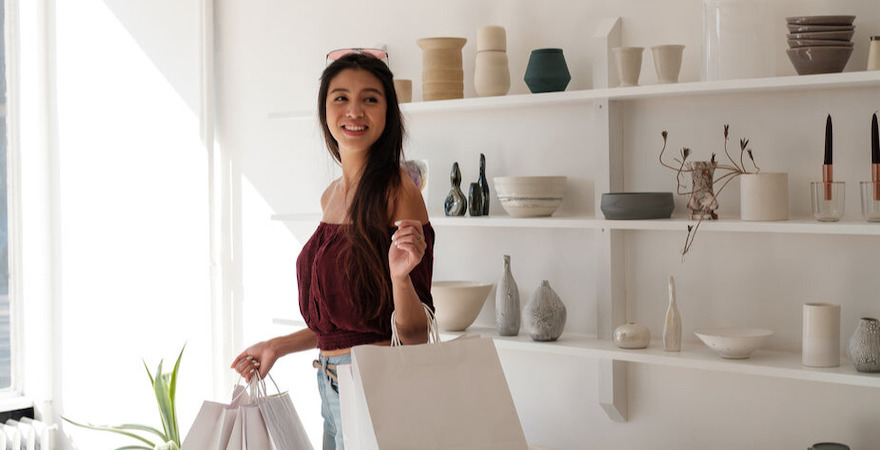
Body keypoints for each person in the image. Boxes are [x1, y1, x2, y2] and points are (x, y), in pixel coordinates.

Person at [231, 50, 434, 450]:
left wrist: (400, 276)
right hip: (330, 383)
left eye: (370, 99)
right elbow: (345, 319)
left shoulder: (398, 190)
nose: (354, 110)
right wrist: (278, 346)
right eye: (340, 97)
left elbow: (414, 333)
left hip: (372, 387)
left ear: (388, 113)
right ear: (325, 110)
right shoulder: (331, 196)